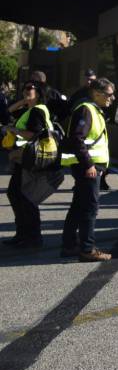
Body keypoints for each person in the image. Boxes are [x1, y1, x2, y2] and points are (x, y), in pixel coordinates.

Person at [59, 78, 116, 262]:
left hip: (89, 166)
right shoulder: (86, 110)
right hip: (88, 168)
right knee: (90, 208)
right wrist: (89, 165)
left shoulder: (94, 110)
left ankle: (69, 246)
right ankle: (87, 249)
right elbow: (77, 138)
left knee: (78, 206)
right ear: (97, 93)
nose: (112, 98)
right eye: (108, 94)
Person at [3, 81, 55, 249]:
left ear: (38, 93)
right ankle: (23, 234)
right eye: (24, 88)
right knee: (16, 194)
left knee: (25, 197)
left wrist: (13, 130)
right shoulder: (29, 110)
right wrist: (22, 102)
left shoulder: (37, 111)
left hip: (30, 160)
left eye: (29, 89)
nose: (25, 90)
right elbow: (3, 114)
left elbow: (34, 134)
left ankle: (32, 237)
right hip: (23, 159)